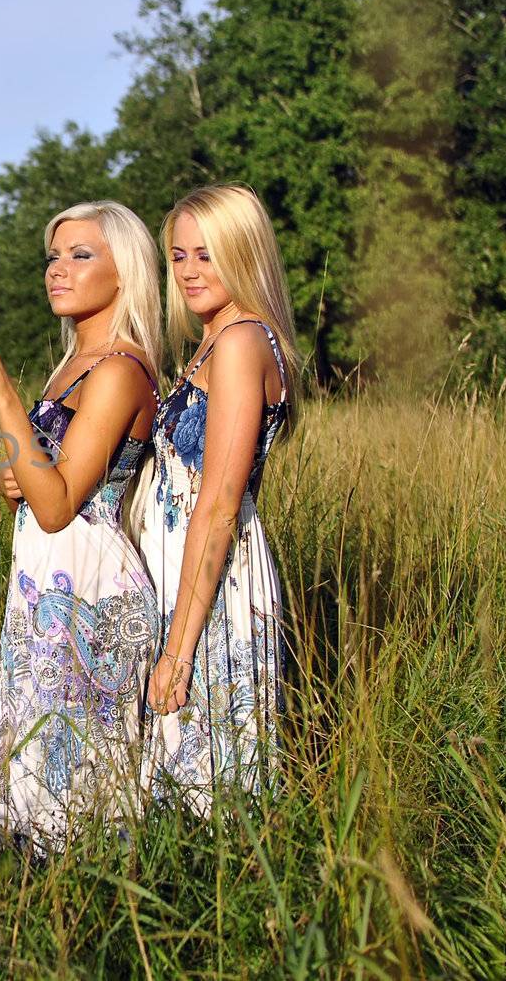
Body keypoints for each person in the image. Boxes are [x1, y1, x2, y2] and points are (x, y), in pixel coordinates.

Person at [0, 200, 165, 865]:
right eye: (53, 256)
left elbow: (62, 506)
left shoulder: (120, 368)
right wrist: (15, 482)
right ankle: (10, 913)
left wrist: (3, 397)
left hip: (89, 590)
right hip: (40, 585)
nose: (58, 269)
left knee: (65, 777)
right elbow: (39, 494)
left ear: (127, 271)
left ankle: (73, 921)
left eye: (80, 255)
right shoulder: (73, 364)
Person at [138, 183, 300, 820]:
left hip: (215, 580)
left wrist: (178, 650)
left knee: (211, 792)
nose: (189, 271)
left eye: (208, 254)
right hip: (181, 573)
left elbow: (219, 505)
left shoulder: (239, 344)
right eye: (179, 256)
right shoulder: (214, 341)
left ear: (245, 254)